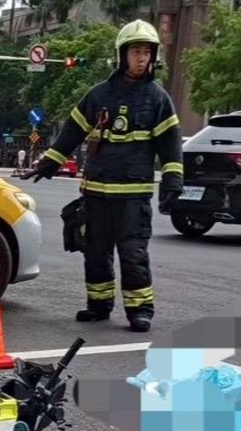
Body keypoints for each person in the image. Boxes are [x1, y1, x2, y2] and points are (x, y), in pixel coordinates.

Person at [24, 19, 182, 333]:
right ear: (122, 55)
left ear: (153, 56)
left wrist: (173, 182)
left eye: (146, 52)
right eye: (135, 52)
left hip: (133, 196)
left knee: (133, 254)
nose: (141, 58)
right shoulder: (99, 95)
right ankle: (98, 305)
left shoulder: (158, 99)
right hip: (96, 192)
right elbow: (72, 132)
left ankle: (140, 311)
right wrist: (50, 163)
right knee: (95, 252)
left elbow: (170, 145)